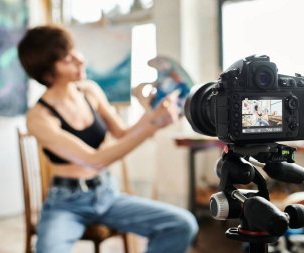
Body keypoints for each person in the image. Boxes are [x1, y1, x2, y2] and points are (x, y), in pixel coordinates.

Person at [17, 25, 198, 253]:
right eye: (67, 59)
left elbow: (122, 133)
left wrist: (151, 115)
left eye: (74, 51)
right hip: (66, 203)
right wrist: (151, 125)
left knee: (182, 224)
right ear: (46, 72)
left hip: (106, 194)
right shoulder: (38, 117)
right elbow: (93, 160)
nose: (79, 60)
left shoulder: (90, 91)